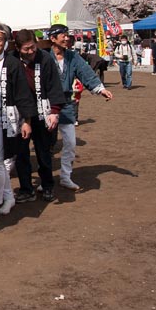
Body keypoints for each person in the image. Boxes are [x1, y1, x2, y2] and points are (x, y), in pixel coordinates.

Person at [0, 22, 36, 220]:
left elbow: (22, 92)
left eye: (0, 39)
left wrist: (27, 120)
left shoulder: (12, 64)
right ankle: (9, 196)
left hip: (7, 118)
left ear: (6, 42)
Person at [48, 23, 113, 191]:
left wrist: (100, 89)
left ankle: (65, 176)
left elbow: (86, 73)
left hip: (66, 104)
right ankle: (45, 179)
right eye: (63, 35)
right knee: (45, 145)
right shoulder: (43, 56)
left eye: (67, 35)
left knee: (70, 143)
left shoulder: (73, 57)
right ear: (52, 38)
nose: (67, 38)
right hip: (45, 105)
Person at [11, 29, 66, 203]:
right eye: (26, 49)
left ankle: (48, 186)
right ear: (18, 48)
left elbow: (54, 85)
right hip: (21, 113)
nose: (31, 52)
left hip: (43, 111)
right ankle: (26, 188)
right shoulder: (12, 60)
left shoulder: (45, 58)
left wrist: (55, 112)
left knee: (44, 152)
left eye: (33, 48)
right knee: (21, 154)